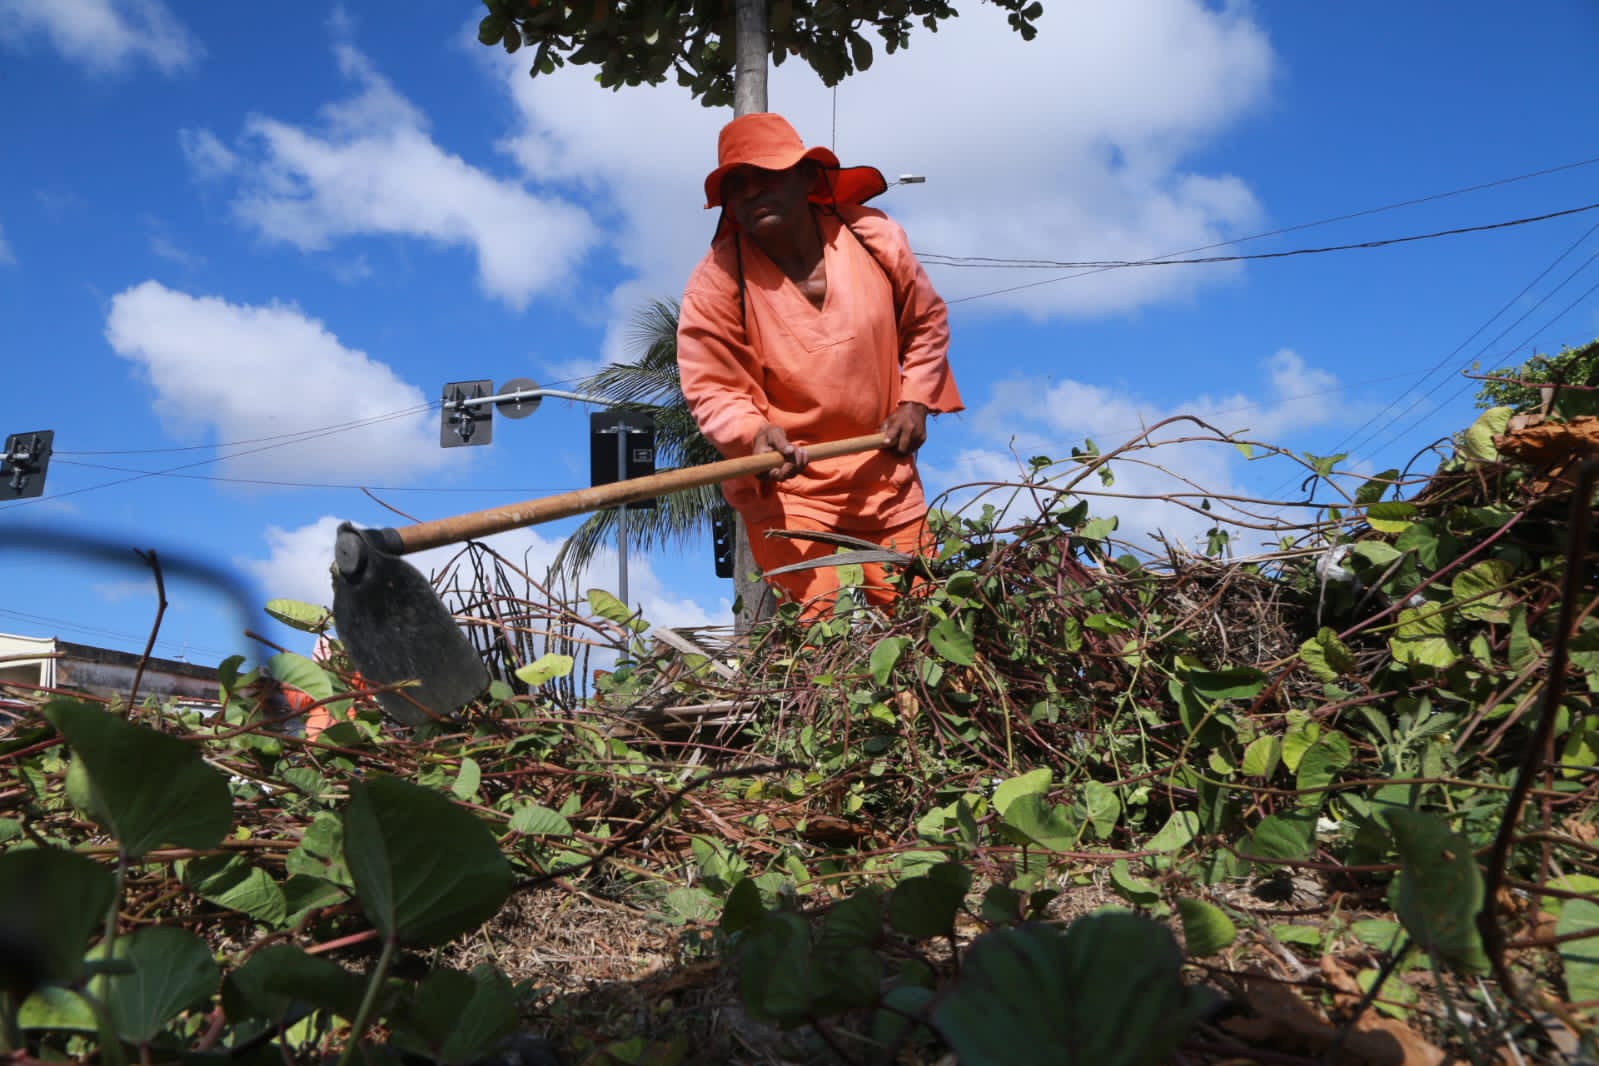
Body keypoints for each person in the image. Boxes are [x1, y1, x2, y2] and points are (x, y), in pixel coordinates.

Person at [676, 112, 963, 617]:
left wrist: (916, 400)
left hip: (884, 476)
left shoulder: (874, 237)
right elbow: (712, 388)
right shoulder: (716, 282)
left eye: (768, 175)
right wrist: (753, 435)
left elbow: (926, 322)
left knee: (925, 623)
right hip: (789, 492)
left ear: (807, 177)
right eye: (737, 185)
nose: (753, 192)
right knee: (818, 631)